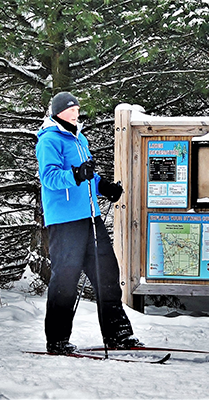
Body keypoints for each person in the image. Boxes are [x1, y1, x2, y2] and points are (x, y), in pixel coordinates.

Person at [36, 91, 142, 354]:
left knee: (107, 274)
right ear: (58, 112)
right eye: (71, 109)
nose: (76, 112)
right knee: (65, 280)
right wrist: (75, 174)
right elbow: (49, 177)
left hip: (90, 218)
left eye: (77, 108)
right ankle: (57, 340)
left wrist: (103, 186)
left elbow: (88, 175)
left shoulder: (79, 138)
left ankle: (118, 334)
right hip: (65, 221)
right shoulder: (49, 140)